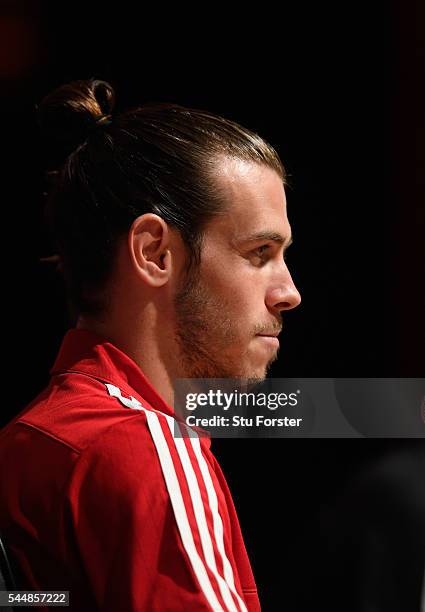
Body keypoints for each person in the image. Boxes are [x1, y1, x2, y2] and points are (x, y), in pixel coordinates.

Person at [0, 78, 301, 611]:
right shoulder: (142, 449)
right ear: (154, 253)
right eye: (259, 252)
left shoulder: (29, 439)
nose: (289, 293)